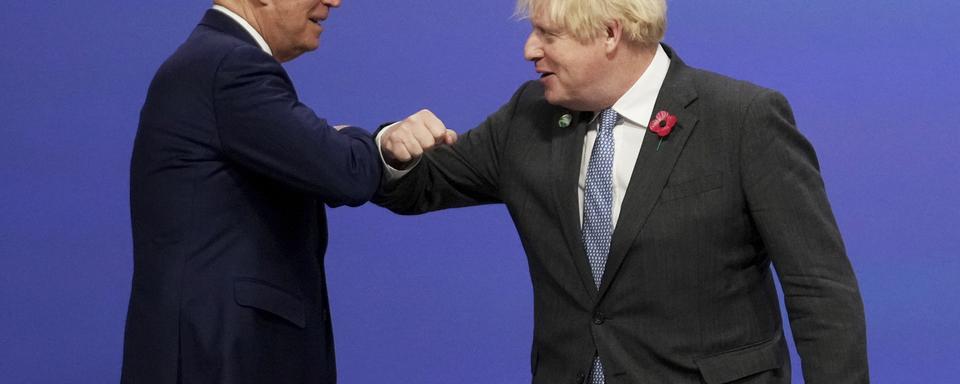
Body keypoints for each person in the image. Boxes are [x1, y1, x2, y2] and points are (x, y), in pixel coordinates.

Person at [374, 0, 868, 382]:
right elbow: (422, 186)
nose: (529, 49)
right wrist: (393, 151)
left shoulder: (741, 119)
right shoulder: (528, 116)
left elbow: (820, 290)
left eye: (548, 33)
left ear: (610, 33)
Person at [122, 1, 384, 382]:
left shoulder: (209, 61)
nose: (334, 0)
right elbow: (347, 172)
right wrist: (379, 139)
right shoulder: (231, 67)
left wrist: (336, 140)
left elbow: (318, 157)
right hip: (222, 361)